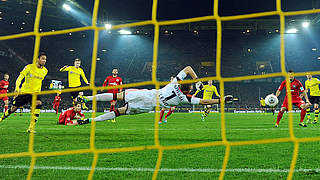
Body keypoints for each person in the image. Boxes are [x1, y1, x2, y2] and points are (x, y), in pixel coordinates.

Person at [77, 66, 233, 125]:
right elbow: (205, 101)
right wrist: (221, 100)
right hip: (147, 106)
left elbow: (188, 68)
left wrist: (197, 80)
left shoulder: (174, 83)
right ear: (189, 90)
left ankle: (87, 99)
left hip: (147, 94)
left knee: (117, 96)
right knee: (119, 112)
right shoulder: (185, 98)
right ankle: (90, 120)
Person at [0, 52, 48, 133]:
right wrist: (17, 88)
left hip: (36, 92)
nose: (44, 61)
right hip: (25, 92)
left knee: (38, 104)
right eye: (43, 58)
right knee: (13, 109)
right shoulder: (29, 67)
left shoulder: (45, 71)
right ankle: (1, 119)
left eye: (45, 59)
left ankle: (31, 128)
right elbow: (20, 77)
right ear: (37, 59)